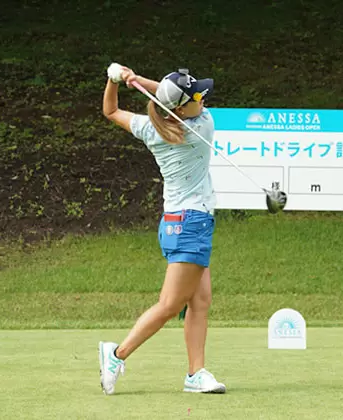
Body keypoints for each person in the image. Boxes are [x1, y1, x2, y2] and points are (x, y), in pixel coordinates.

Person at [98, 64, 226, 395]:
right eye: (196, 97)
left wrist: (116, 81)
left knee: (200, 301)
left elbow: (110, 111)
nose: (202, 99)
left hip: (175, 224)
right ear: (181, 109)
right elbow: (173, 98)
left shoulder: (150, 128)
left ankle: (195, 374)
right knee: (170, 305)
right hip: (191, 225)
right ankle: (116, 354)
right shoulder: (202, 126)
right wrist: (139, 80)